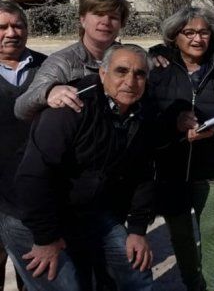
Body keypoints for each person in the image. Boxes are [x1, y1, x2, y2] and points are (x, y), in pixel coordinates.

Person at [12, 44, 156, 291]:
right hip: (34, 214)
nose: (131, 81)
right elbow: (33, 176)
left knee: (136, 273)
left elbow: (143, 172)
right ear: (103, 73)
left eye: (140, 74)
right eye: (121, 71)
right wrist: (45, 238)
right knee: (66, 285)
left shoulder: (142, 113)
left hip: (92, 211)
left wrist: (137, 230)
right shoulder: (72, 107)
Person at [147, 7, 214, 291]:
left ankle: (213, 288)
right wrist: (174, 124)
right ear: (174, 36)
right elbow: (146, 117)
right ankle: (193, 284)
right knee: (180, 234)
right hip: (171, 168)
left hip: (211, 166)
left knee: (212, 232)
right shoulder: (158, 71)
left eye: (203, 32)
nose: (197, 39)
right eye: (189, 32)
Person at [15, 0, 130, 121]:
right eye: (99, 14)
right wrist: (48, 92)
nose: (105, 22)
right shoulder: (62, 62)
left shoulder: (134, 60)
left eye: (113, 17)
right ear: (82, 20)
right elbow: (20, 108)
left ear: (121, 23)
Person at [0, 1, 46, 291]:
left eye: (18, 25)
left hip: (31, 192)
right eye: (2, 27)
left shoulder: (48, 68)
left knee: (31, 273)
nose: (11, 33)